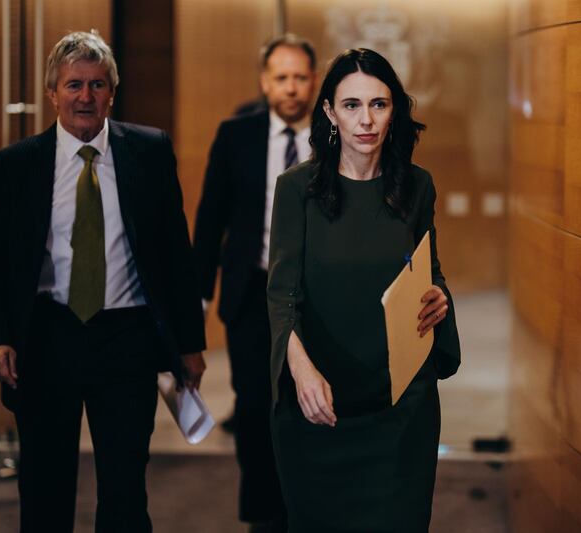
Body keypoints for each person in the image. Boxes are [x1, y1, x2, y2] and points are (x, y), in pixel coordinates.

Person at [0, 30, 206, 533]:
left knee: (124, 491)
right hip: (46, 339)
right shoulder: (16, 165)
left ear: (111, 93)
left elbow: (174, 254)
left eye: (98, 85)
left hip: (127, 339)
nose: (85, 97)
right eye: (74, 85)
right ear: (53, 92)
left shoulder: (149, 150)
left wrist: (188, 343)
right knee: (44, 490)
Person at [267, 48, 461, 532]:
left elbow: (428, 272)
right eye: (351, 105)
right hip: (321, 407)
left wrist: (439, 295)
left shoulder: (417, 187)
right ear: (330, 112)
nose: (366, 120)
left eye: (379, 104)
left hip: (401, 410)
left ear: (395, 111)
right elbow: (282, 295)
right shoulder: (296, 189)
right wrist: (301, 371)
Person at [193, 33, 317, 532]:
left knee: (310, 404)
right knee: (253, 407)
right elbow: (209, 222)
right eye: (281, 78)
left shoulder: (335, 136)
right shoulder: (235, 134)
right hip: (251, 295)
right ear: (265, 82)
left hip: (315, 301)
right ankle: (264, 515)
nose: (291, 88)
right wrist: (196, 305)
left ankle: (306, 509)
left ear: (314, 82)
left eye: (301, 78)